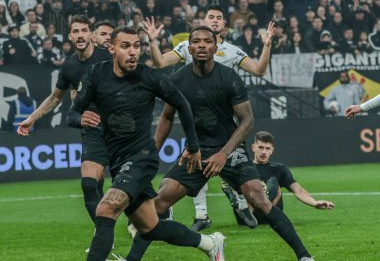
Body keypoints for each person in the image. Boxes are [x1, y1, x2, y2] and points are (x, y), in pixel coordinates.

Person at [124, 26, 314, 261]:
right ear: (189, 47)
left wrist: (224, 153)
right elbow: (166, 117)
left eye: (207, 42)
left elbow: (247, 121)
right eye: (196, 41)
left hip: (230, 149)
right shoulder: (178, 79)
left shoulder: (229, 77)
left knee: (259, 198)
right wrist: (152, 152)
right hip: (197, 152)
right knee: (160, 202)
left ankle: (304, 257)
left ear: (215, 47)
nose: (201, 45)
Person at [67, 26, 226, 261]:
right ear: (111, 49)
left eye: (136, 46)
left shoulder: (149, 77)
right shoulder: (95, 74)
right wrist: (80, 119)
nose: (133, 52)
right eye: (125, 46)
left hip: (142, 157)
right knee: (151, 227)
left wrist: (193, 147)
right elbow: (72, 114)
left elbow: (182, 104)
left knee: (105, 208)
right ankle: (210, 243)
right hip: (118, 161)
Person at [144, 5, 275, 230]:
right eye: (210, 17)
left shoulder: (232, 51)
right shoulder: (188, 45)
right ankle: (202, 214)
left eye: (219, 18)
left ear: (224, 25)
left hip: (224, 119)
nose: (214, 20)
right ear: (202, 21)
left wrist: (267, 45)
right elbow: (160, 63)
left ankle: (241, 205)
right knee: (197, 165)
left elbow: (259, 70)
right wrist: (153, 42)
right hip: (196, 117)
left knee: (238, 175)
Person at [17, 15, 111, 231]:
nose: (80, 35)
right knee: (90, 185)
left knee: (132, 186)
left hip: (118, 128)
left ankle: (153, 216)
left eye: (84, 30)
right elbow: (55, 97)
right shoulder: (69, 66)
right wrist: (32, 118)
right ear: (70, 36)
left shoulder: (107, 57)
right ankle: (104, 234)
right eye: (75, 31)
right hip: (92, 129)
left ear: (91, 34)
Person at [222, 131, 335, 225]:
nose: (263, 152)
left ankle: (246, 200)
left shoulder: (279, 169)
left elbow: (298, 190)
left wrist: (314, 203)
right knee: (242, 181)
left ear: (272, 150)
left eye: (267, 148)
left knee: (273, 182)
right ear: (253, 147)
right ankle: (244, 206)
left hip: (266, 214)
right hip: (249, 217)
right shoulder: (244, 167)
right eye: (260, 147)